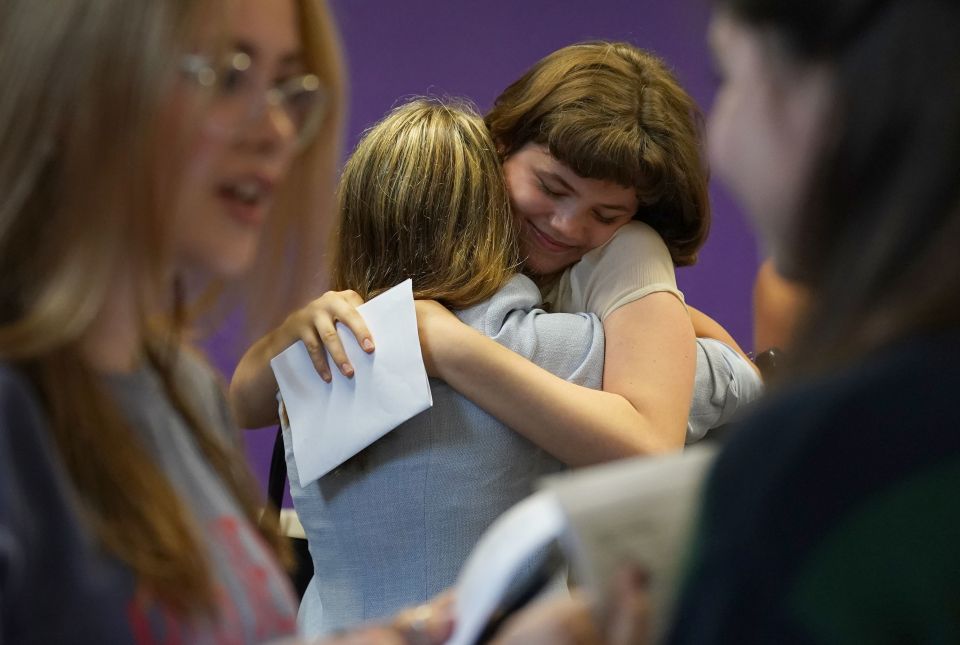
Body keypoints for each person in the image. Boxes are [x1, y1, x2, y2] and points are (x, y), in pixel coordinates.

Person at [491, 0, 960, 642]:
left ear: (829, 103)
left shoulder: (824, 457)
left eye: (730, 77)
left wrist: (443, 345)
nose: (722, 142)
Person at [230, 42, 763, 466]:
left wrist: (444, 343)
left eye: (607, 214)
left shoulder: (628, 250)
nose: (567, 225)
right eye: (552, 188)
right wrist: (302, 330)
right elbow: (244, 402)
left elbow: (650, 444)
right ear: (501, 145)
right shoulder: (453, 212)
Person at [0, 0, 349, 640]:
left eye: (285, 86)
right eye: (225, 75)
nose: (275, 128)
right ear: (75, 86)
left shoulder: (187, 393)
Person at [273, 97, 608, 635]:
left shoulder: (314, 352)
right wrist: (638, 263)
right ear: (492, 214)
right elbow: (733, 381)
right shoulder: (542, 346)